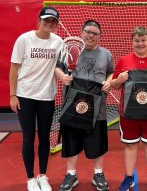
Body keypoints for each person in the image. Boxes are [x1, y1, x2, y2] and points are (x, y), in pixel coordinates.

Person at [55, 20, 113, 191]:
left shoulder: (106, 54)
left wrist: (109, 82)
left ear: (99, 37)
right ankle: (71, 175)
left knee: (97, 143)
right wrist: (62, 77)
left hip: (97, 107)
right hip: (72, 105)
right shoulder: (70, 51)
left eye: (95, 33)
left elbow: (110, 72)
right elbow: (56, 68)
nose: (90, 36)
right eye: (88, 32)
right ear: (81, 33)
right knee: (71, 141)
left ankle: (98, 174)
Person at [9, 6, 63, 191]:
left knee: (45, 137)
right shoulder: (24, 39)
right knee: (29, 137)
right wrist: (12, 95)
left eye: (53, 21)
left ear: (56, 24)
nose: (50, 24)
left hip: (47, 96)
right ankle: (30, 178)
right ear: (39, 20)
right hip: (25, 95)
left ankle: (42, 176)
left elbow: (60, 67)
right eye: (46, 20)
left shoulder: (58, 42)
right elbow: (14, 68)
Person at [111, 26, 147, 191]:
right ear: (132, 42)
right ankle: (129, 178)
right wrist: (119, 79)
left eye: (143, 40)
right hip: (129, 113)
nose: (140, 44)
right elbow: (114, 85)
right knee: (130, 145)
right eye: (137, 40)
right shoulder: (124, 60)